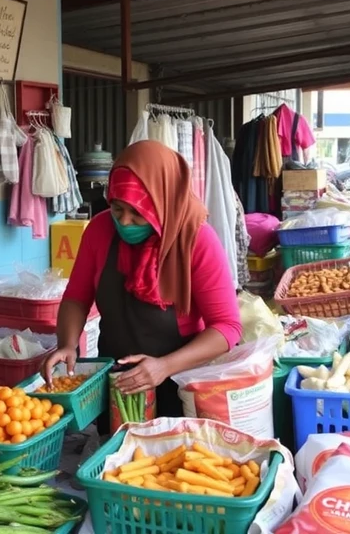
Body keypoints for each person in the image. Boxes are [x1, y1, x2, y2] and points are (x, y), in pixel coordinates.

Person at [40, 141, 242, 425]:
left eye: (138, 213)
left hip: (180, 382)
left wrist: (164, 367)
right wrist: (67, 345)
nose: (125, 221)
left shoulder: (196, 240)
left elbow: (227, 328)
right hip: (116, 383)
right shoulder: (99, 231)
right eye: (118, 208)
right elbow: (76, 297)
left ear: (164, 202)